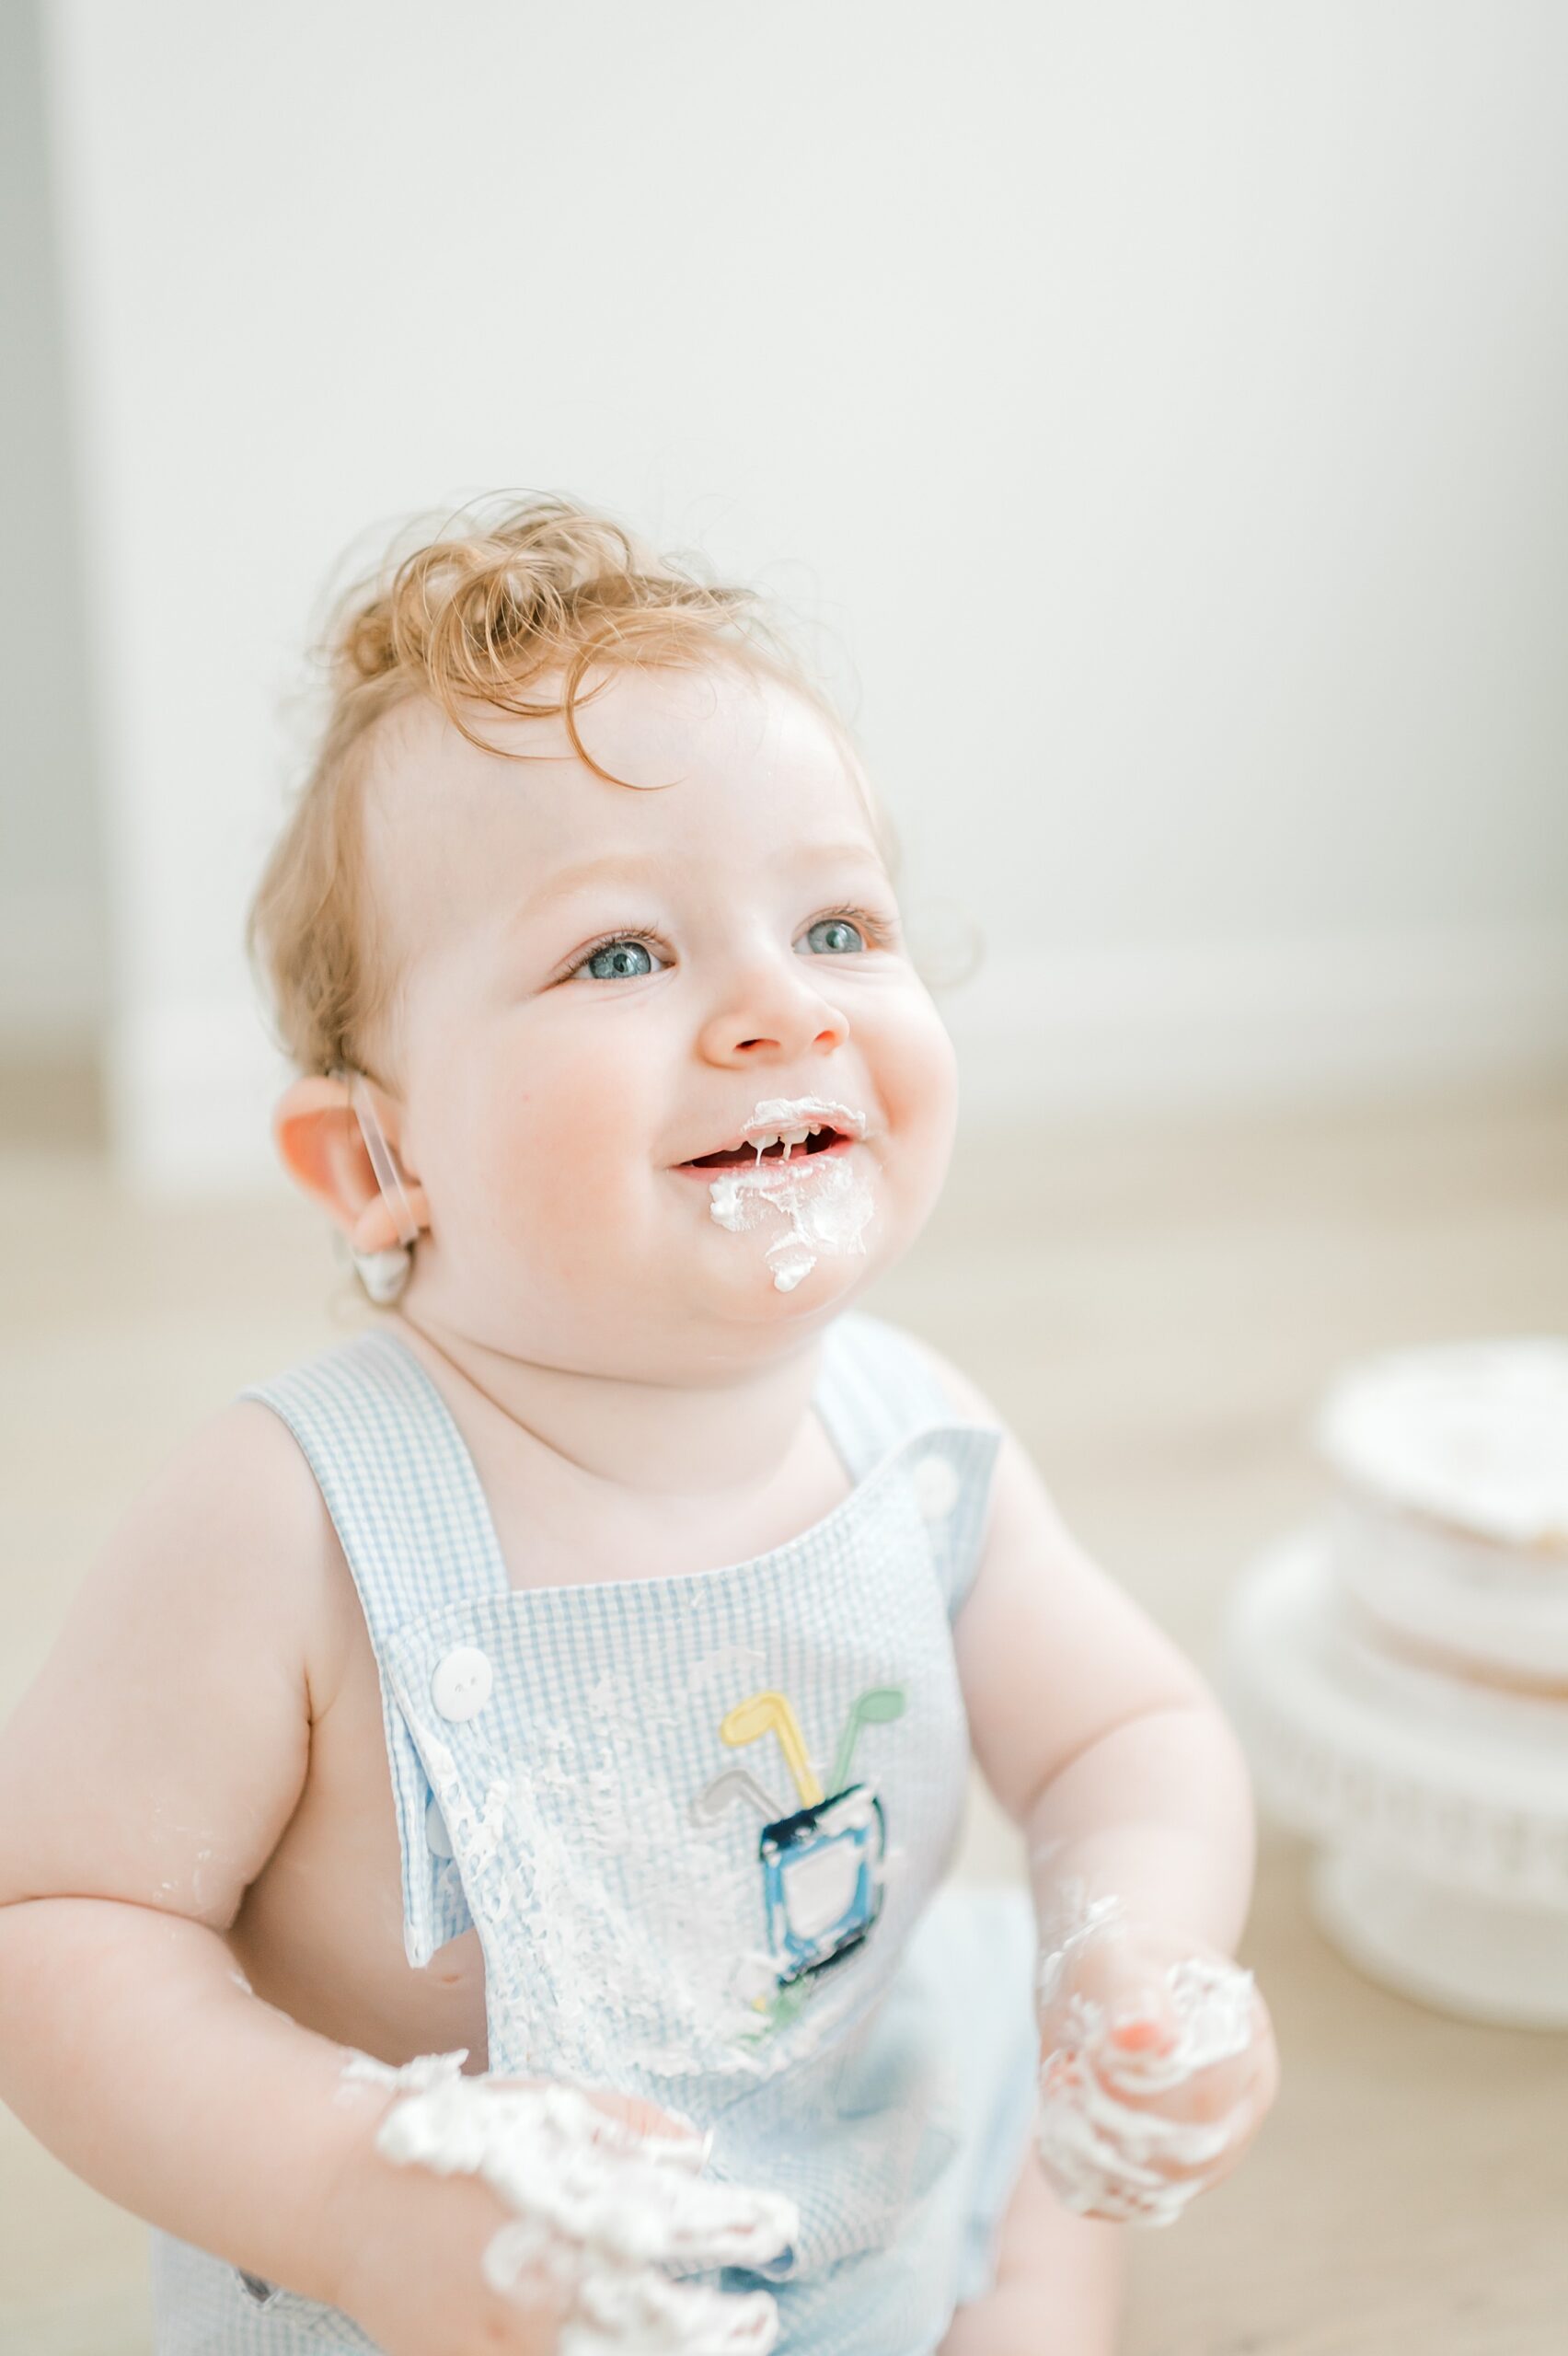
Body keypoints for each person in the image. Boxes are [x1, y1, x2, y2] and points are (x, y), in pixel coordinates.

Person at [0, 498, 1278, 2355]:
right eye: (619, 955)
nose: (780, 1006)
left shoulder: (914, 1434)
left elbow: (1128, 1734)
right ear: (377, 1156)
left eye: (839, 923)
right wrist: (355, 2186)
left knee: (1017, 2105)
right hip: (469, 2285)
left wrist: (1140, 1954)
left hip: (863, 2143)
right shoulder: (285, 1517)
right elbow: (61, 1921)